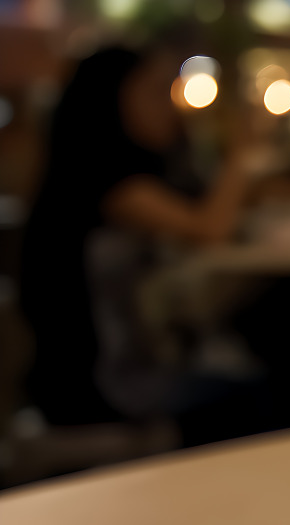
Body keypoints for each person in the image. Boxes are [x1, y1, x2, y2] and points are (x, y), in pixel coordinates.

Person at [20, 43, 260, 427]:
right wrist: (241, 152)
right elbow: (210, 228)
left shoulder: (126, 177)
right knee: (275, 393)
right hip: (100, 389)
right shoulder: (107, 187)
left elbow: (219, 209)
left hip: (127, 373)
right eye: (153, 92)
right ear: (108, 100)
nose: (169, 105)